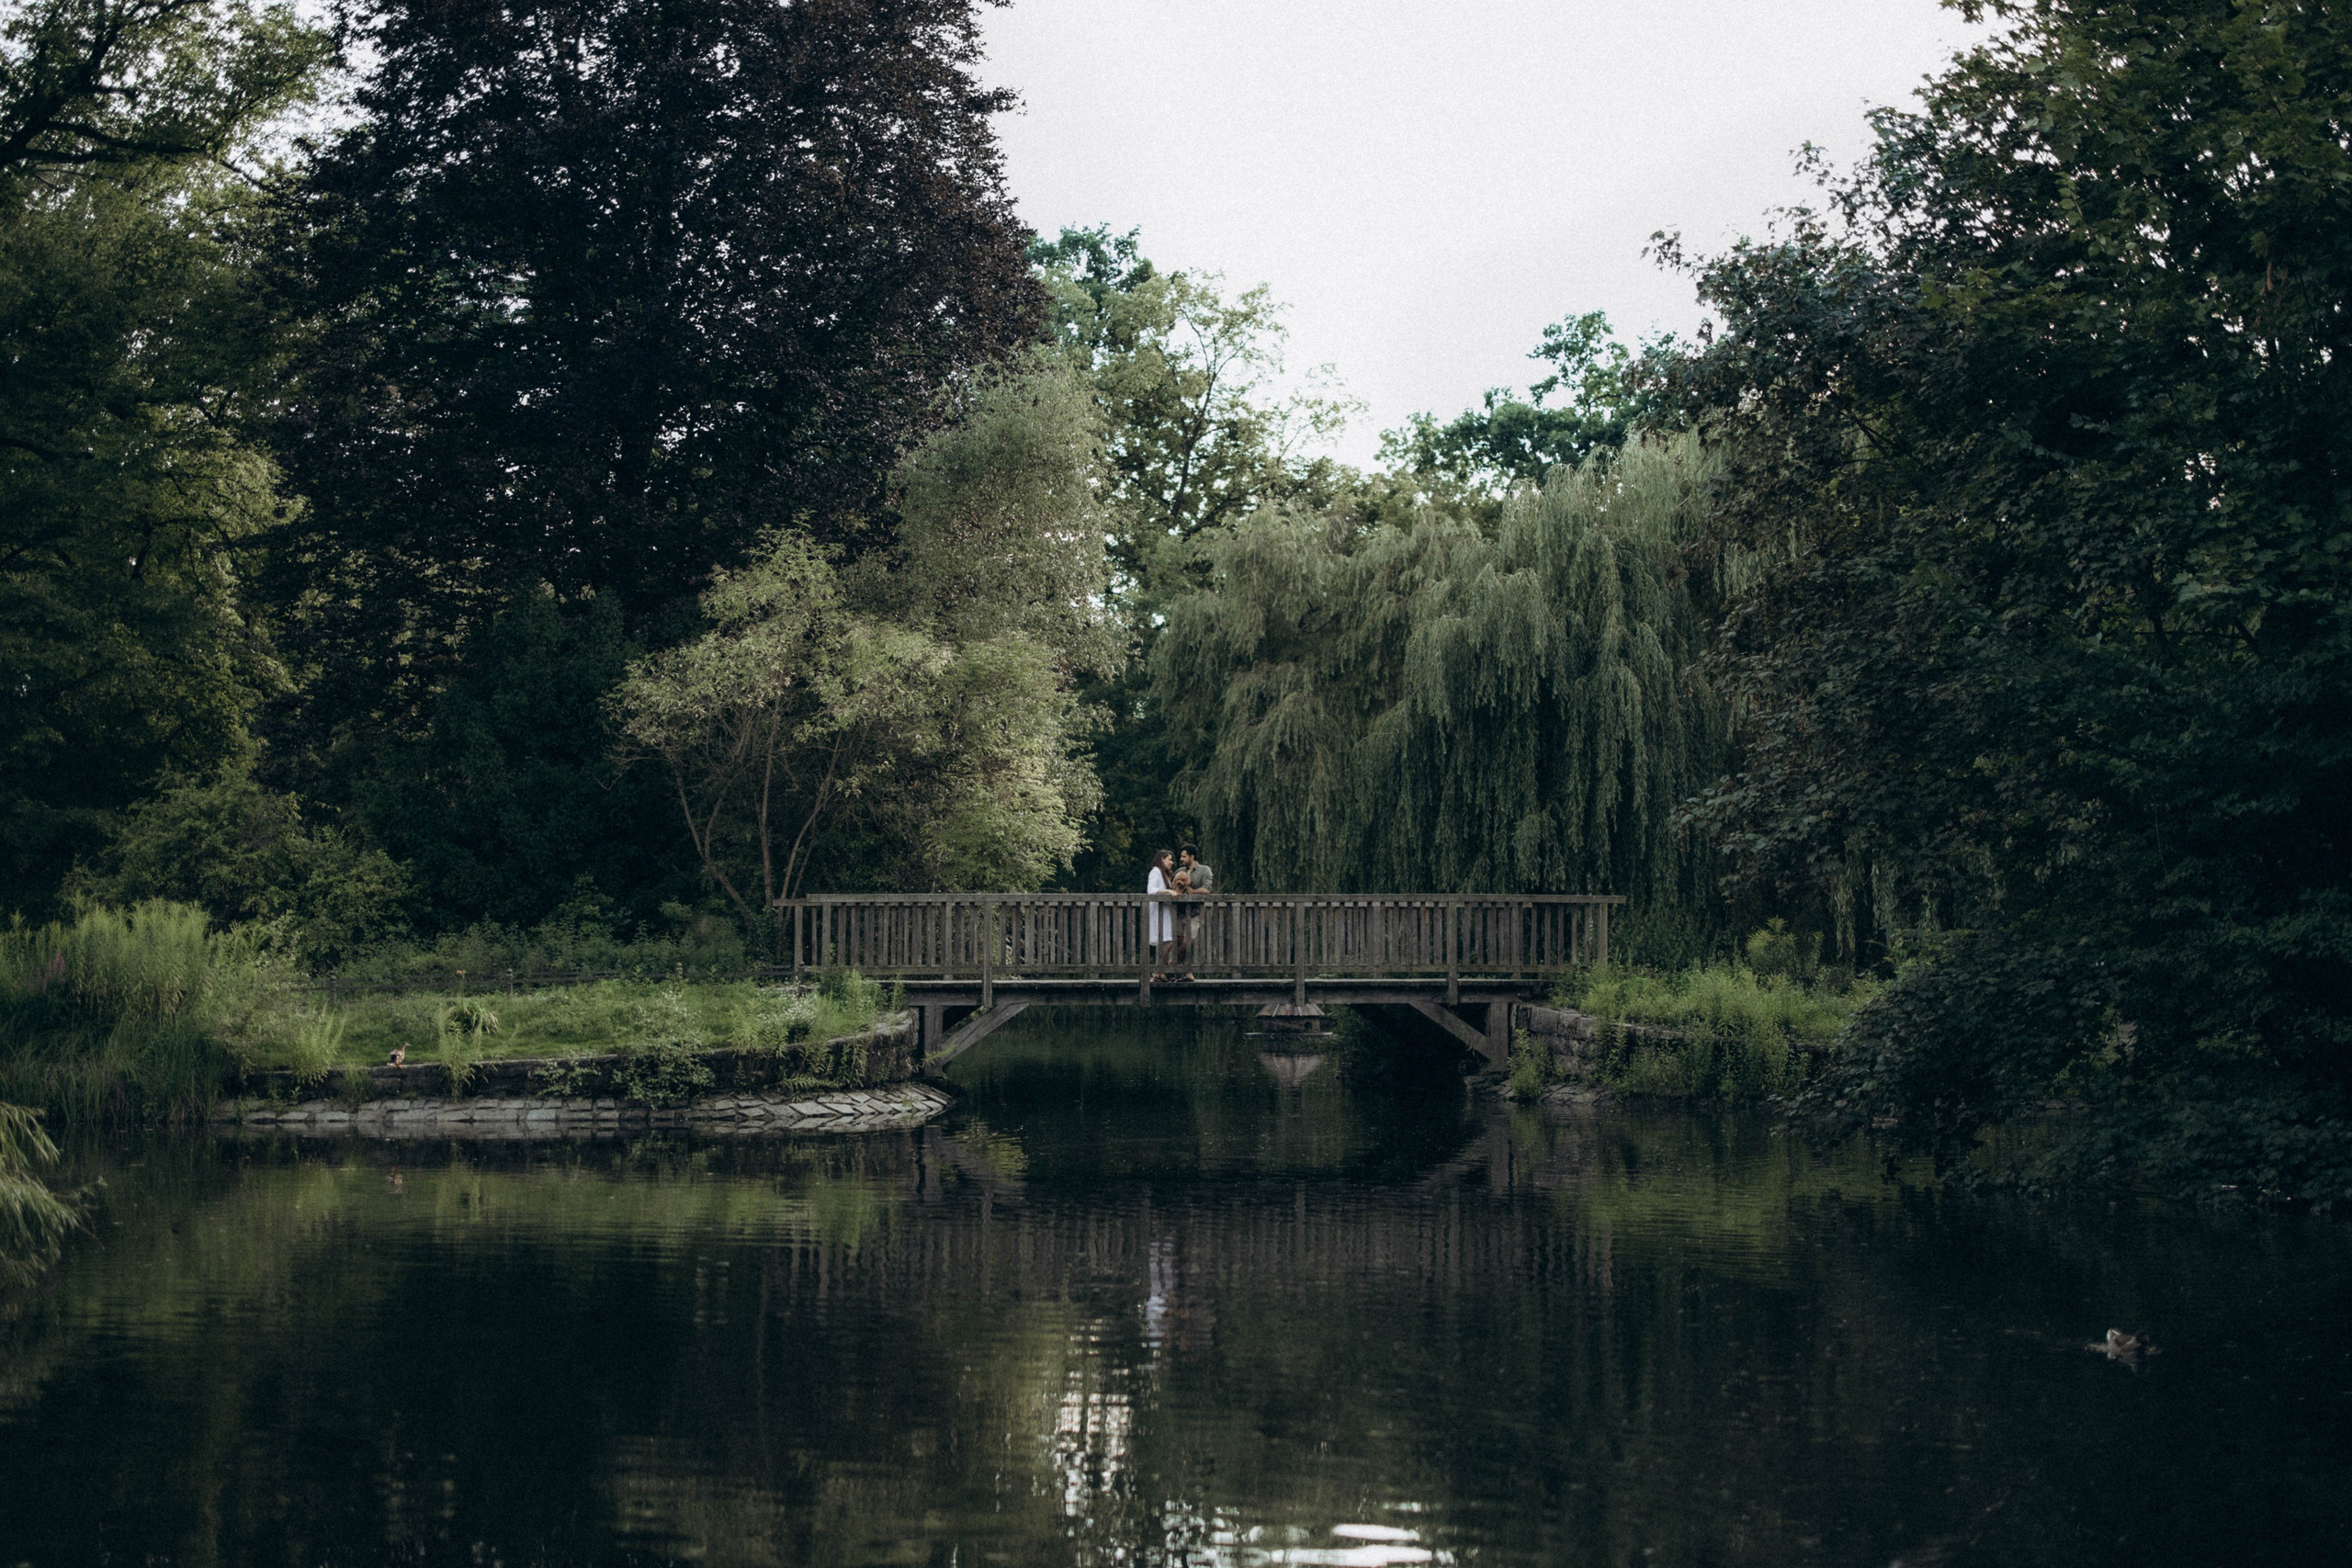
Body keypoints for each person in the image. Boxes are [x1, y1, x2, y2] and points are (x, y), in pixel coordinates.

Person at [1176, 843, 1214, 981]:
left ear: (1192, 857)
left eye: (1184, 856)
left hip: (1194, 912)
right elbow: (1173, 886)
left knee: (1187, 942)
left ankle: (1171, 964)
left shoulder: (1204, 870)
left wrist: (1192, 892)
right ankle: (1188, 973)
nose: (1181, 859)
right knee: (1180, 942)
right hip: (1179, 913)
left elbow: (1206, 890)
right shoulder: (1180, 871)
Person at [1146, 849, 1177, 976]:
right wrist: (1168, 892)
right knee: (1166, 942)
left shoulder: (1164, 874)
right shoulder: (1155, 872)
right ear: (1161, 859)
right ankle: (1158, 971)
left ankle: (1159, 971)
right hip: (1158, 912)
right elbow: (1151, 890)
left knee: (1167, 942)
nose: (1171, 862)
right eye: (1169, 859)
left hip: (1165, 912)